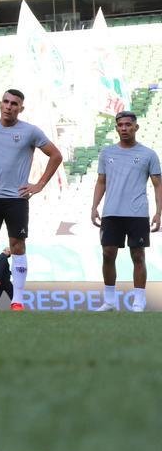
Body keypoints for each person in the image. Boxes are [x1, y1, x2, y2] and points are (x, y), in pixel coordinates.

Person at [0, 89, 63, 311]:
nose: (9, 106)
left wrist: (39, 184)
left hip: (17, 199)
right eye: (6, 102)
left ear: (21, 108)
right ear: (0, 104)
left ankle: (17, 301)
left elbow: (56, 155)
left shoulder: (30, 131)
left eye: (14, 103)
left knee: (17, 246)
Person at [91, 111, 161, 312]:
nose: (124, 128)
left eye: (128, 125)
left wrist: (158, 213)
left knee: (138, 255)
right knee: (107, 253)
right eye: (120, 125)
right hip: (111, 213)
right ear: (116, 128)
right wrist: (94, 206)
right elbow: (101, 181)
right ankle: (110, 301)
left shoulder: (149, 154)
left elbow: (158, 185)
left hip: (137, 213)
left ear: (136, 127)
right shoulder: (107, 153)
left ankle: (139, 301)